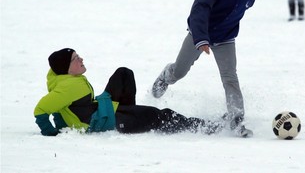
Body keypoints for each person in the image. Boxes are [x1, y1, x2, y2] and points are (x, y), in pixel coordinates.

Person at [152, 0, 258, 138]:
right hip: (200, 33)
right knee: (180, 71)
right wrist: (201, 39)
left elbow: (243, 6)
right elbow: (200, 9)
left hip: (225, 37)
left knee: (230, 78)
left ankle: (236, 120)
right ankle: (166, 76)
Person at [34, 48, 221, 136]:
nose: (81, 58)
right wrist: (51, 131)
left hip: (103, 109)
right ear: (67, 68)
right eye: (76, 58)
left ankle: (131, 113)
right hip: (105, 121)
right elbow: (42, 109)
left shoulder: (65, 79)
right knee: (157, 115)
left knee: (124, 74)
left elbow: (59, 107)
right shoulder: (68, 87)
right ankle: (202, 126)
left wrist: (61, 122)